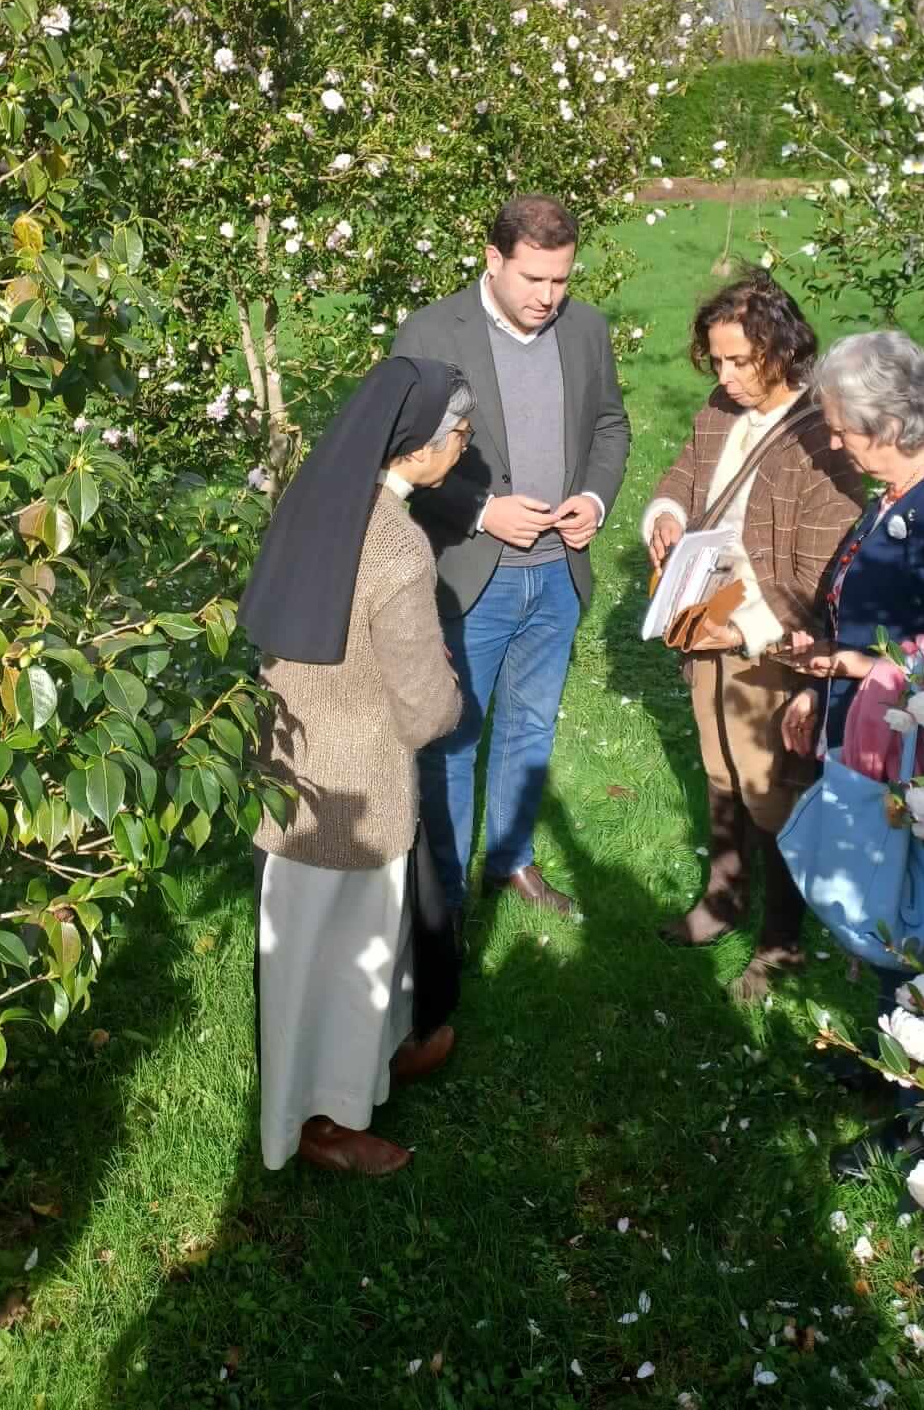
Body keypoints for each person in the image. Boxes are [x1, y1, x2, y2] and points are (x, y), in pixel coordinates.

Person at [780, 329, 924, 1171]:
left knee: (914, 924)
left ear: (891, 423)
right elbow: (864, 607)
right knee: (886, 915)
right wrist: (823, 682)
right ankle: (898, 1068)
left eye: (843, 428)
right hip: (875, 737)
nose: (834, 444)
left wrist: (856, 667)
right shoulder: (900, 492)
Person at [236, 356, 474, 1177]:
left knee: (314, 955)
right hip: (362, 786)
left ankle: (363, 1072)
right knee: (341, 961)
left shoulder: (315, 500)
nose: (464, 445)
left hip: (290, 773)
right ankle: (320, 1122)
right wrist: (449, 692)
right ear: (420, 447)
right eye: (460, 432)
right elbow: (423, 708)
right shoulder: (398, 544)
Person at [393, 195, 630, 925]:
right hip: (468, 576)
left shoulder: (585, 329)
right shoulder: (431, 332)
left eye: (560, 280)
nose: (547, 297)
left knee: (530, 727)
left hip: (559, 574)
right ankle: (447, 899)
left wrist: (592, 499)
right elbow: (398, 452)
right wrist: (480, 511)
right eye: (533, 279)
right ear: (492, 259)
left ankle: (512, 861)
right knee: (454, 738)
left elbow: (610, 425)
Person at [642, 269, 864, 1002]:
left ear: (783, 350)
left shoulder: (823, 440)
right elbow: (683, 471)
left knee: (775, 787)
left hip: (771, 639)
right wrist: (668, 513)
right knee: (717, 761)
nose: (727, 377)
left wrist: (739, 630)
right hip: (706, 609)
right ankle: (723, 898)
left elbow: (818, 574)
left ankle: (783, 941)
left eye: (742, 361)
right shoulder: (718, 409)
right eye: (718, 360)